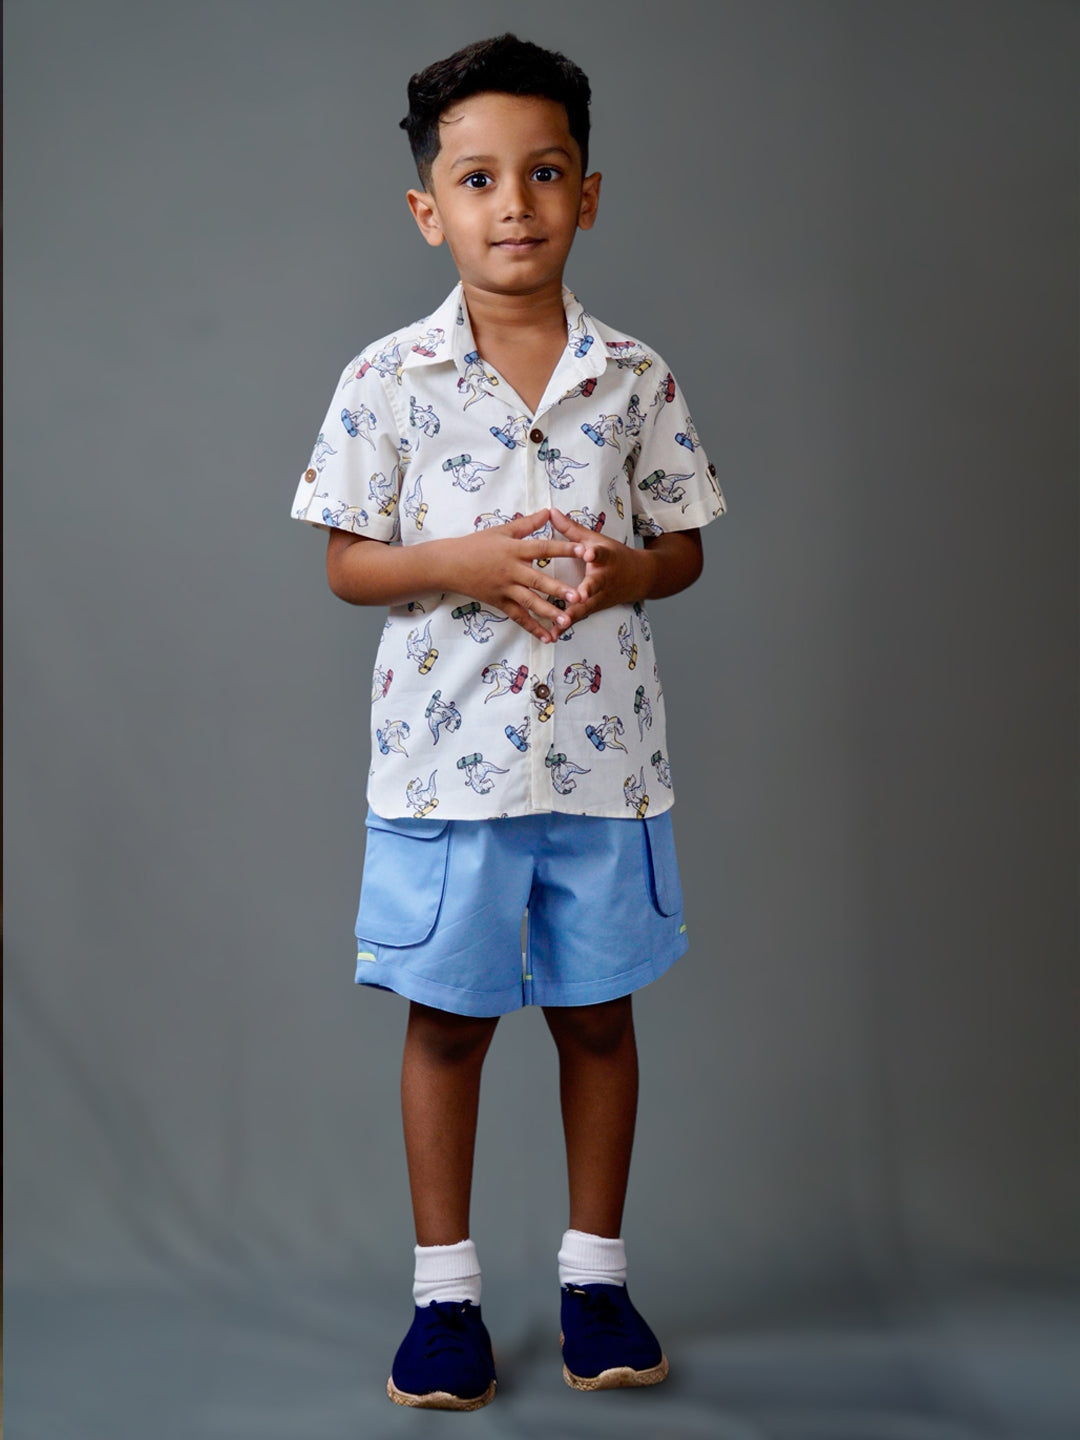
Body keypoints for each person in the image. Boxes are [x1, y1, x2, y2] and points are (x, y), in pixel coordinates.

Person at [290, 32, 726, 1412]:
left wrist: (632, 570)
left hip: (608, 774)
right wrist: (462, 563)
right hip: (443, 776)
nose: (515, 203)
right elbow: (348, 562)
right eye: (479, 179)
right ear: (432, 209)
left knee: (599, 1020)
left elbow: (687, 551)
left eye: (545, 173)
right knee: (449, 1025)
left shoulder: (637, 379)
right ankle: (446, 1300)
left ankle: (593, 1279)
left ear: (588, 194)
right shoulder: (386, 381)